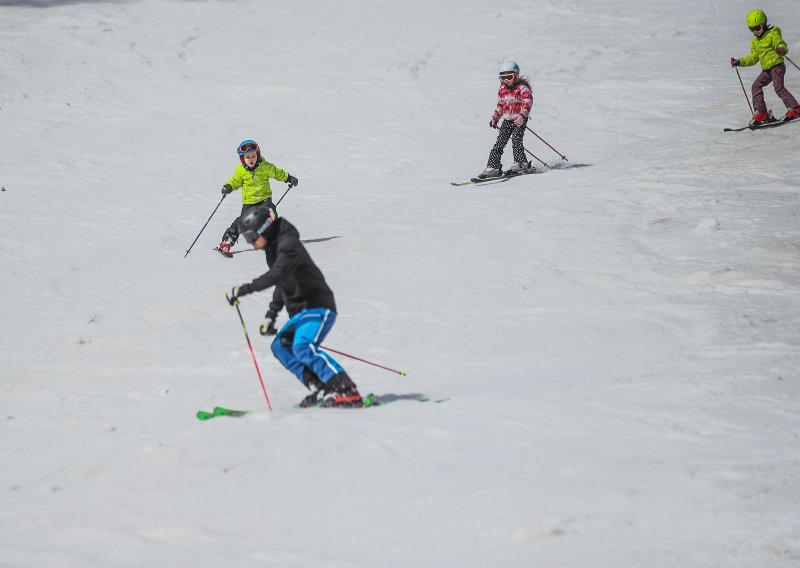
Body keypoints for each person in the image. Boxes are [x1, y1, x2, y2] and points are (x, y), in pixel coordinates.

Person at [225, 206, 364, 408]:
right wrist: (271, 315)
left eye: (252, 238)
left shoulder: (288, 244)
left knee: (302, 346)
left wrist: (245, 289)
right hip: (301, 310)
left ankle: (346, 390)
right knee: (280, 347)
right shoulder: (273, 249)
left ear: (263, 229)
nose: (252, 244)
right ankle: (321, 388)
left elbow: (277, 275)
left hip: (317, 305)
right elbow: (283, 282)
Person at [216, 139, 299, 257]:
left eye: (253, 156)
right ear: (242, 159)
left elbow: (277, 172)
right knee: (242, 223)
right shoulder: (241, 171)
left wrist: (288, 178)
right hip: (249, 202)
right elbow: (235, 181)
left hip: (264, 199)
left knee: (271, 213)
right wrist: (229, 186)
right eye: (247, 157)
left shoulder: (265, 167)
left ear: (258, 155)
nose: (251, 159)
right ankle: (227, 242)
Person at [731, 9, 800, 124]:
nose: (755, 32)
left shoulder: (773, 33)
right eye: (751, 29)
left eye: (757, 28)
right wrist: (739, 62)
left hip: (777, 66)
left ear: (764, 24)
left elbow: (780, 43)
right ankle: (762, 113)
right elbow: (753, 58)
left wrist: (782, 49)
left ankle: (795, 109)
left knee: (778, 87)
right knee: (755, 86)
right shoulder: (755, 42)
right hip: (767, 70)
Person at [476, 61, 534, 180]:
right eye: (502, 77)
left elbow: (528, 102)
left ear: (516, 75)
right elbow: (500, 105)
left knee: (517, 140)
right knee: (499, 143)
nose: (505, 80)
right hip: (507, 120)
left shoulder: (522, 88)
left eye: (508, 77)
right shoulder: (503, 89)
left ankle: (520, 164)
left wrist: (522, 116)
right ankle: (493, 167)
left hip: (519, 119)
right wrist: (495, 118)